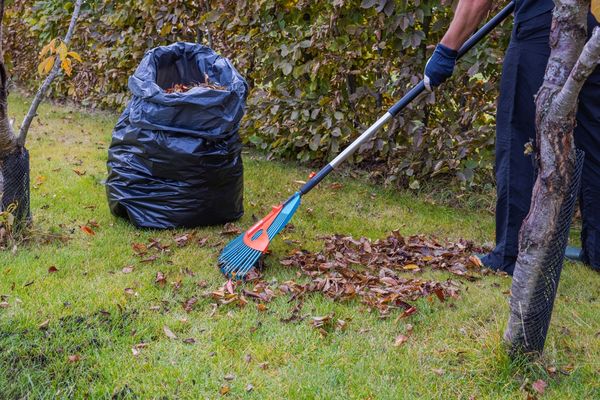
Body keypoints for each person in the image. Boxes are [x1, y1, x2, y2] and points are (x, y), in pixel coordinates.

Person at [424, 0, 600, 274]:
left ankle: (511, 254)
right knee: (593, 137)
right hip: (591, 27)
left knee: (519, 136)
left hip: (545, 26)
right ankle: (597, 249)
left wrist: (447, 48)